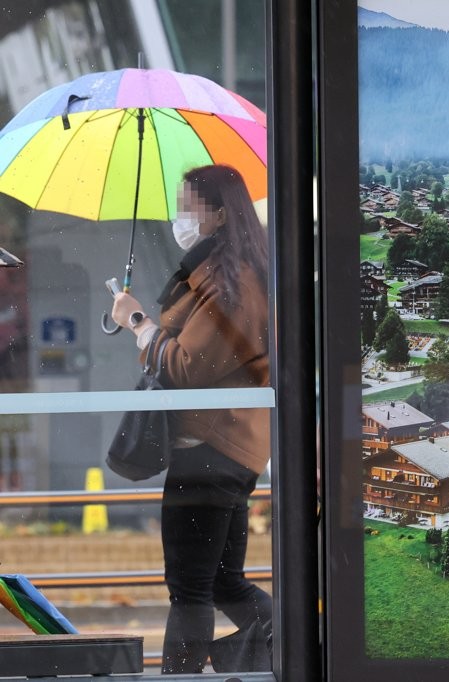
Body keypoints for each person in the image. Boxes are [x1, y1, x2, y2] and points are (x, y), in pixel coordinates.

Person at [110, 164, 272, 674]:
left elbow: (186, 366)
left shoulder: (231, 282)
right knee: (222, 583)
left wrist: (138, 323)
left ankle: (183, 678)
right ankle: (290, 644)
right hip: (225, 448)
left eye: (189, 206)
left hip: (209, 449)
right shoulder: (218, 272)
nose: (180, 217)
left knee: (190, 589)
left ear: (220, 214)